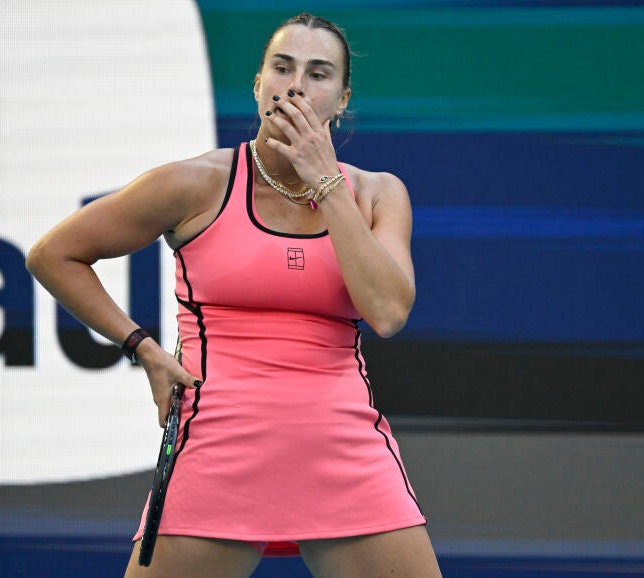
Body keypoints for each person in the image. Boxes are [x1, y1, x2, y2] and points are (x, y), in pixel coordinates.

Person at [26, 12, 443, 578]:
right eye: (282, 68)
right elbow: (53, 254)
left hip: (344, 448)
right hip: (218, 447)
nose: (296, 86)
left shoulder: (377, 194)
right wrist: (142, 348)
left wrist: (326, 183)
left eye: (318, 74)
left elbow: (389, 312)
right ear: (258, 84)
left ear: (342, 100)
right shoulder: (194, 183)